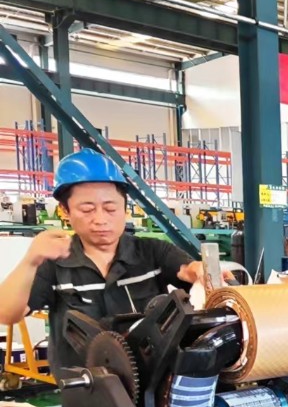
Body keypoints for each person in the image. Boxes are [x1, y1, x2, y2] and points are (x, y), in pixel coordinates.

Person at [0, 149, 205, 375]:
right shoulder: (54, 263)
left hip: (151, 382)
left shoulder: (153, 252)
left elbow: (189, 271)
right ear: (65, 211)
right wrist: (30, 260)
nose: (100, 219)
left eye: (110, 208)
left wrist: (200, 271)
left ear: (125, 208)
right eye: (87, 209)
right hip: (84, 388)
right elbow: (6, 314)